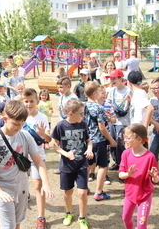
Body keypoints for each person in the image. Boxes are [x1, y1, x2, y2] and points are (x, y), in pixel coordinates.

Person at [0, 100, 54, 229]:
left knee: (17, 223)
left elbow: (39, 162)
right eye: (15, 124)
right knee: (8, 226)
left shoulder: (26, 136)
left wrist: (46, 184)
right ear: (5, 119)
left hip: (22, 187)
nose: (19, 127)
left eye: (22, 124)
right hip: (3, 188)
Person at [51, 98, 93, 229]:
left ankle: (82, 218)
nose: (83, 115)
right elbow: (54, 145)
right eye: (80, 113)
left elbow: (88, 140)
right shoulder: (60, 126)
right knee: (68, 192)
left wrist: (90, 148)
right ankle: (68, 213)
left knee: (82, 192)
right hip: (66, 166)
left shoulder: (83, 124)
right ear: (70, 113)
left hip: (82, 164)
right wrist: (66, 154)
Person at [119, 123, 159, 229]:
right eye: (125, 137)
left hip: (144, 196)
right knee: (125, 218)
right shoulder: (126, 154)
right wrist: (128, 174)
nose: (126, 140)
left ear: (139, 139)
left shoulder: (150, 157)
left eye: (128, 138)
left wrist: (154, 176)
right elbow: (121, 174)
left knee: (141, 225)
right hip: (130, 194)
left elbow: (156, 180)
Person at [22, 88, 52, 228]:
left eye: (31, 101)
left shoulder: (42, 118)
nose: (29, 104)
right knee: (21, 183)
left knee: (38, 186)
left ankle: (41, 217)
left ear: (37, 101)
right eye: (26, 101)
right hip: (21, 157)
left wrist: (42, 133)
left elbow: (49, 139)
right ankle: (25, 195)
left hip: (37, 157)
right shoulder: (20, 117)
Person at [84, 81, 117, 201]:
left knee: (88, 165)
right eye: (99, 92)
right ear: (94, 93)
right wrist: (111, 140)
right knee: (103, 166)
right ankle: (99, 192)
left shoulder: (83, 106)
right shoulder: (99, 108)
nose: (101, 93)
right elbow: (102, 127)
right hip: (99, 141)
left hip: (88, 141)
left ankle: (84, 187)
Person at [106, 69, 131, 171]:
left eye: (114, 78)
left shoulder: (128, 90)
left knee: (120, 143)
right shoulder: (112, 91)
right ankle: (116, 162)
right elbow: (108, 103)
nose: (112, 80)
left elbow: (125, 109)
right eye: (111, 79)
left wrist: (115, 109)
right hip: (113, 121)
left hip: (123, 122)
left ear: (121, 79)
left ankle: (123, 164)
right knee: (112, 141)